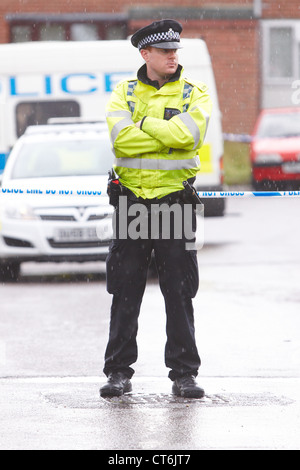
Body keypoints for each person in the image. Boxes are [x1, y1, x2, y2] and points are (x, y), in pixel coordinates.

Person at [100, 19, 212, 399]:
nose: (172, 56)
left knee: (179, 292)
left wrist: (144, 123)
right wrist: (164, 138)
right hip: (131, 201)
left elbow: (189, 136)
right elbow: (120, 141)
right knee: (125, 290)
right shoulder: (123, 93)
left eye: (175, 51)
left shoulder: (194, 93)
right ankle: (118, 373)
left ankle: (184, 375)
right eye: (165, 51)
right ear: (145, 54)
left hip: (174, 202)